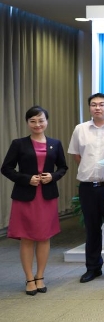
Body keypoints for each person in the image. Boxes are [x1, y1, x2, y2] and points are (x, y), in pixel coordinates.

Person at [1, 106, 67, 295]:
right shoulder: (18, 144)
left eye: (41, 120)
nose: (37, 124)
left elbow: (63, 167)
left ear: (47, 121)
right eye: (33, 121)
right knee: (27, 237)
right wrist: (26, 178)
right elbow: (6, 168)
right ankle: (29, 278)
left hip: (47, 197)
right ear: (28, 123)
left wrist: (52, 176)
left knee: (44, 237)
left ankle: (40, 276)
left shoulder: (55, 143)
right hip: (25, 197)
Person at [68, 92, 104, 283]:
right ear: (89, 107)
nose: (97, 107)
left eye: (102, 104)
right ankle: (93, 268)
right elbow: (77, 156)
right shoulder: (80, 129)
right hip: (88, 187)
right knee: (92, 229)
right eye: (93, 104)